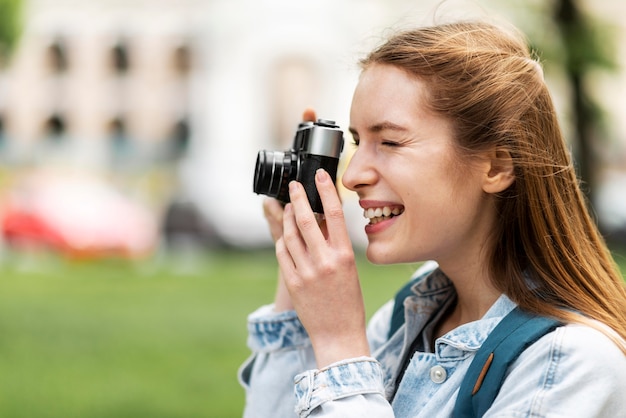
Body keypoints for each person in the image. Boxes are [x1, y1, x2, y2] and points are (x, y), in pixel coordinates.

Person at [238, 20, 626, 417]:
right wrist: (299, 261)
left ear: (495, 166)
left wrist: (340, 345)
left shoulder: (568, 364)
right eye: (357, 142)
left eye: (389, 142)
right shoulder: (411, 317)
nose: (352, 177)